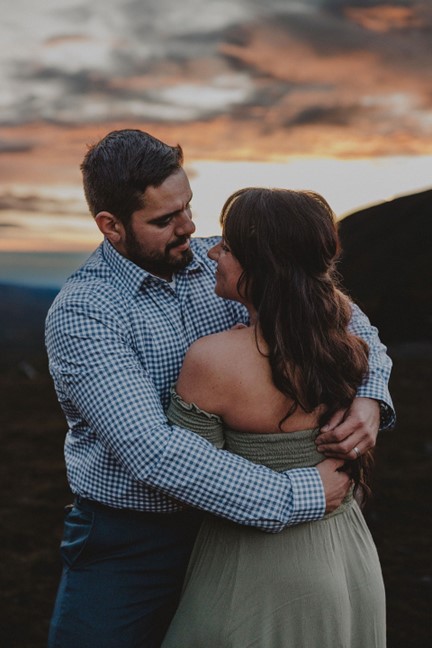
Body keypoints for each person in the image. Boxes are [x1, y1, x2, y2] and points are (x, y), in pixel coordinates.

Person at [45, 129, 394, 648]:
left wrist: (370, 395)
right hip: (137, 541)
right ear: (111, 226)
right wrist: (301, 494)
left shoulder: (228, 262)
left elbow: (348, 322)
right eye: (164, 221)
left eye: (187, 207)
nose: (189, 229)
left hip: (246, 540)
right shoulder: (84, 314)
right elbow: (153, 452)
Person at [161, 187, 387, 647]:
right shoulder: (341, 342)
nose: (213, 253)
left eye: (227, 246)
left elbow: (187, 480)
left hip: (256, 572)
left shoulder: (212, 360)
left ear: (259, 266)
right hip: (351, 559)